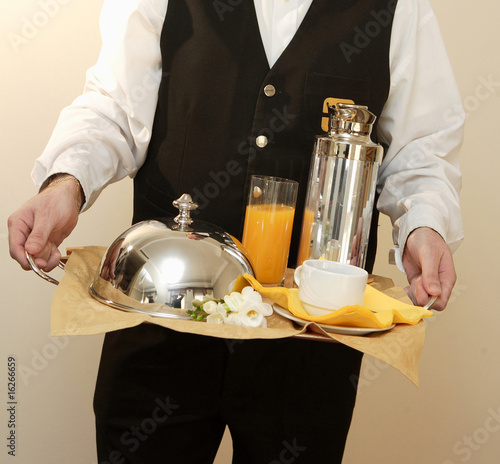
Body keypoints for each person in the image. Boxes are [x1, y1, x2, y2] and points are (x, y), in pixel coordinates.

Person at [8, 0, 464, 462]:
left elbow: (421, 151)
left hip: (309, 343)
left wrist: (424, 225)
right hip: (162, 320)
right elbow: (114, 109)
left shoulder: (399, 8)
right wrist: (66, 183)